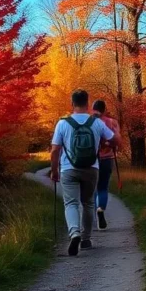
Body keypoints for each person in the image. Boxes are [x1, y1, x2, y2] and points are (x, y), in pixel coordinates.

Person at [50, 89, 114, 256]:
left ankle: (74, 233)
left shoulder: (63, 123)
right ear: (87, 103)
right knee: (88, 203)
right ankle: (85, 239)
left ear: (72, 104)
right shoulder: (96, 123)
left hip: (68, 169)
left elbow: (55, 150)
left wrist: (54, 170)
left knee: (71, 203)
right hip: (92, 169)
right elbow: (113, 139)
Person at [92, 99, 125, 231]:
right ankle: (101, 209)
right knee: (103, 187)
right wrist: (109, 144)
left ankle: (95, 215)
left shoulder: (90, 122)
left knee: (93, 189)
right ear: (104, 109)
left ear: (93, 109)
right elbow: (118, 140)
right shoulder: (112, 122)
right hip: (107, 159)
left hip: (92, 160)